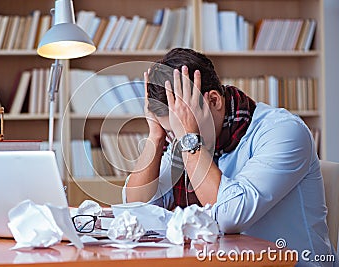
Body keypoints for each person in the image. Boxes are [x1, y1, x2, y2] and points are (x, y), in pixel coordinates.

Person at [122, 48, 336, 266]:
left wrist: (189, 137)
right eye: (170, 131)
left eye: (179, 129)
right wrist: (156, 137)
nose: (176, 140)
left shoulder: (283, 131)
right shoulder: (184, 141)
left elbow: (229, 216)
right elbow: (136, 205)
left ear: (214, 101)